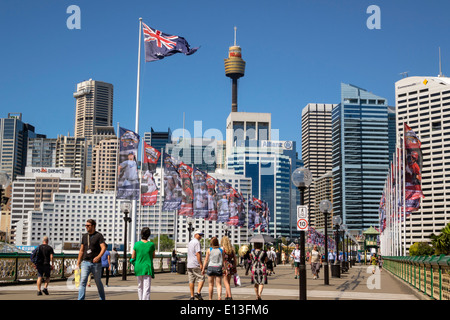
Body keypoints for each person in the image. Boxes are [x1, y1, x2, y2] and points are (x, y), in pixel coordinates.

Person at [77, 219, 107, 300]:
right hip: (85, 262)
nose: (86, 227)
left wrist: (99, 256)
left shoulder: (99, 236)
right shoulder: (84, 236)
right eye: (85, 225)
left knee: (98, 282)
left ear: (93, 226)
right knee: (83, 281)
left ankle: (102, 298)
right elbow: (81, 250)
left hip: (96, 264)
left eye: (88, 225)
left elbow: (103, 247)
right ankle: (80, 299)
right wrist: (78, 262)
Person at [130, 227, 156, 300]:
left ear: (141, 234)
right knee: (146, 288)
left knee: (140, 286)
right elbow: (153, 256)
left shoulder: (136, 244)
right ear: (149, 235)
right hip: (147, 267)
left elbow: (133, 257)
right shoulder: (151, 245)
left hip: (138, 267)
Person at [187, 230, 205, 300]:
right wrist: (201, 264)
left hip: (189, 264)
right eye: (199, 235)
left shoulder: (190, 242)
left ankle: (192, 296)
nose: (200, 236)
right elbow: (198, 253)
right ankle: (198, 293)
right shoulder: (197, 242)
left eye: (201, 235)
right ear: (195, 235)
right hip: (195, 263)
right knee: (201, 277)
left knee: (191, 280)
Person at [221, 236, 237, 300]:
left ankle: (230, 296)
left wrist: (224, 268)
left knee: (225, 282)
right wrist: (235, 266)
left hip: (225, 265)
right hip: (231, 265)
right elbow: (235, 259)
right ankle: (226, 296)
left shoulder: (223, 249)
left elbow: (223, 259)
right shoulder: (232, 249)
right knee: (228, 282)